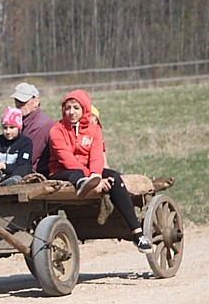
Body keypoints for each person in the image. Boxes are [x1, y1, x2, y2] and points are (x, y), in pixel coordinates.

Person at [48, 89, 152, 253]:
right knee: (76, 173)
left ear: (84, 109)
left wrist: (96, 176)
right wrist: (93, 180)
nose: (71, 112)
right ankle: (85, 184)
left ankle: (137, 234)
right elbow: (66, 159)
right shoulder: (56, 130)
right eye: (67, 108)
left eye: (76, 107)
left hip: (89, 171)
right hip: (62, 171)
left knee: (115, 179)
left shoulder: (94, 130)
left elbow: (96, 156)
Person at [11, 82, 54, 178]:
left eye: (23, 100)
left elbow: (27, 158)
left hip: (35, 176)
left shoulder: (39, 126)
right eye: (17, 100)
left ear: (36, 101)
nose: (19, 104)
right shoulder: (24, 122)